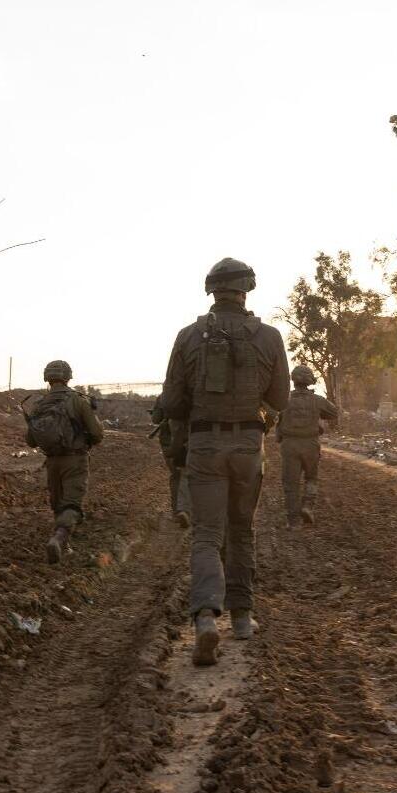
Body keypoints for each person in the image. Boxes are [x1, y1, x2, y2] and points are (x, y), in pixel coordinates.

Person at [159, 258, 289, 666]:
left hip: (204, 446)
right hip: (248, 446)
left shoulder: (187, 337)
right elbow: (281, 400)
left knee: (206, 535)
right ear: (247, 289)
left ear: (211, 291)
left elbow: (174, 401)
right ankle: (243, 618)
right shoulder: (269, 337)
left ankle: (204, 620)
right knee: (242, 530)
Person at [25, 360, 104, 563]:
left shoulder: (40, 404)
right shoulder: (78, 400)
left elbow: (30, 440)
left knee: (58, 503)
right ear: (68, 377)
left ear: (47, 378)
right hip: (75, 460)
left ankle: (63, 543)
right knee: (72, 505)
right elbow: (97, 433)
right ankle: (58, 540)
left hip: (52, 462)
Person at [275, 365, 338, 528]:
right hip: (310, 444)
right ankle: (308, 506)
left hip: (289, 445)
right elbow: (333, 413)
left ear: (293, 380)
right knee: (311, 477)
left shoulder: (284, 399)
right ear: (310, 381)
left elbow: (275, 418)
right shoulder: (317, 400)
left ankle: (293, 521)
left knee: (291, 483)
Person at [149, 399, 191, 528]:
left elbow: (155, 419)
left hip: (168, 441)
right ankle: (187, 510)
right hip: (190, 439)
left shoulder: (164, 396)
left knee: (176, 475)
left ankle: (177, 511)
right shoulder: (194, 391)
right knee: (189, 475)